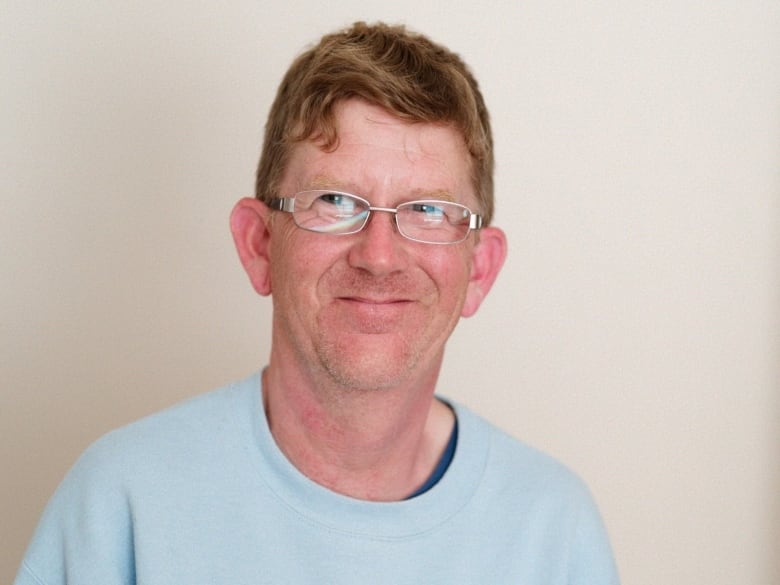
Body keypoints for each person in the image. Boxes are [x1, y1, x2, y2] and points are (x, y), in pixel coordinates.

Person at [15, 22, 619, 584]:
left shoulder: (554, 534)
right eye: (335, 201)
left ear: (480, 269)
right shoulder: (121, 505)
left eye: (429, 210)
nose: (379, 257)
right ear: (258, 244)